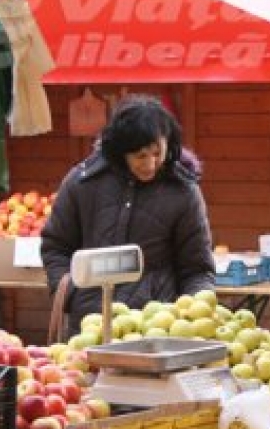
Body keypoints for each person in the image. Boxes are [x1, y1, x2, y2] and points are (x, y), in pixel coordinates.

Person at [41, 94, 215, 337]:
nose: (150, 164)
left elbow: (197, 269)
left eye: (157, 153)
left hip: (157, 330)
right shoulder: (82, 183)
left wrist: (192, 317)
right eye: (140, 156)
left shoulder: (183, 191)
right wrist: (72, 295)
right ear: (121, 152)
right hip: (88, 327)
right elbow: (55, 246)